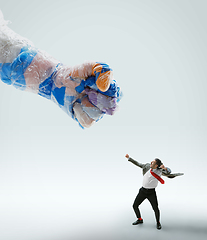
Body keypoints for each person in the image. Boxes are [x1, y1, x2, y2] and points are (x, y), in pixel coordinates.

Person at [125, 154, 171, 230]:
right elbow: (138, 163)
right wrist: (129, 158)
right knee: (135, 205)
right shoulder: (147, 166)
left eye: (152, 162)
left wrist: (165, 168)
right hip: (142, 191)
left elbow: (168, 172)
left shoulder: (160, 170)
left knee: (155, 208)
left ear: (156, 165)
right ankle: (139, 219)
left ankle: (158, 223)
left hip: (151, 193)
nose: (150, 163)